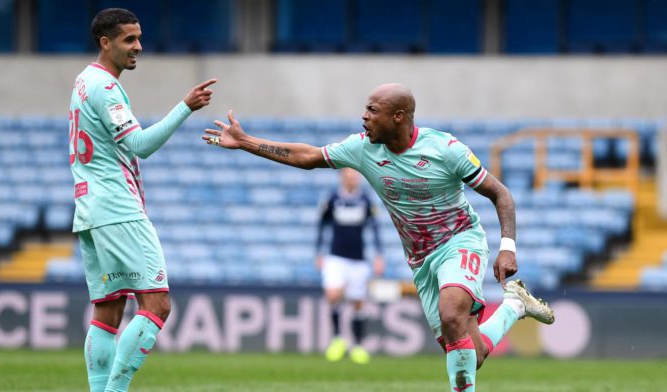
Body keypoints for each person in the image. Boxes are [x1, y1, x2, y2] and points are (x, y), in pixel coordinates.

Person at [203, 83, 554, 391]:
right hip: (420, 258)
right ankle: (514, 306)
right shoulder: (362, 149)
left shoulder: (446, 149)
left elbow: (501, 194)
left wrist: (507, 247)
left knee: (452, 314)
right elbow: (308, 156)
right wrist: (247, 142)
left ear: (399, 117)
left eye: (373, 110)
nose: (364, 117)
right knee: (468, 353)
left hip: (460, 240)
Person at [70, 8, 216, 392]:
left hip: (89, 208)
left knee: (108, 309)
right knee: (157, 305)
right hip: (117, 208)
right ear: (106, 43)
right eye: (129, 40)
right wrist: (186, 106)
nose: (139, 47)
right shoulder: (104, 86)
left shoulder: (83, 82)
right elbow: (139, 145)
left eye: (139, 38)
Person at [316, 167, 384, 364]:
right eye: (350, 175)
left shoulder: (365, 200)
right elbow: (322, 225)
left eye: (355, 175)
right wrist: (318, 252)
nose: (353, 178)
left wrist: (379, 254)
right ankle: (338, 338)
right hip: (335, 257)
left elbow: (375, 228)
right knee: (332, 294)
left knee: (357, 302)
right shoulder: (332, 199)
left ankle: (358, 345)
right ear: (342, 177)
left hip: (358, 259)